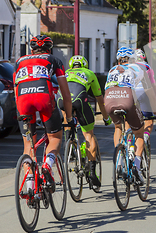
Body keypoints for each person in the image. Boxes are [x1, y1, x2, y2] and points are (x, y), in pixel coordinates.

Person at [14, 35, 74, 190]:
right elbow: (66, 95)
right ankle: (47, 165)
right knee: (55, 137)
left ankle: (29, 185)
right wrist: (69, 117)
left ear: (32, 49)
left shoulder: (19, 62)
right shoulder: (54, 60)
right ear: (50, 49)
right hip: (44, 97)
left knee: (29, 144)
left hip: (23, 100)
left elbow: (16, 90)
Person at [57, 55, 112, 188]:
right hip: (79, 101)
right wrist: (105, 117)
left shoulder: (65, 73)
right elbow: (100, 99)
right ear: (84, 65)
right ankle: (92, 172)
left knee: (66, 115)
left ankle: (69, 143)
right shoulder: (89, 73)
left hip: (61, 101)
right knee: (89, 135)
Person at [104, 47, 153, 185]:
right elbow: (148, 92)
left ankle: (119, 160)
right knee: (139, 133)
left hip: (109, 100)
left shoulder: (112, 70)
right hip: (127, 100)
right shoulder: (138, 69)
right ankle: (137, 165)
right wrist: (154, 110)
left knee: (118, 127)